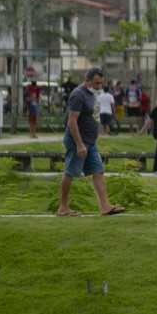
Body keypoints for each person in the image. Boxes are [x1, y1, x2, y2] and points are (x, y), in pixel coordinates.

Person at [57, 67, 126, 217]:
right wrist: (80, 144)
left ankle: (105, 206)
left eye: (101, 83)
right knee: (70, 172)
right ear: (88, 80)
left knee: (98, 171)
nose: (99, 86)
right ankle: (63, 207)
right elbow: (72, 121)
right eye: (96, 83)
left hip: (90, 142)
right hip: (78, 142)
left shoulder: (91, 93)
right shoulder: (78, 94)